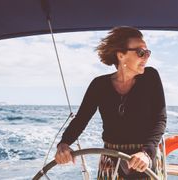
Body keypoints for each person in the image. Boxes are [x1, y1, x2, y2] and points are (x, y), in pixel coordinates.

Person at [55, 26, 167, 179]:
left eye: (147, 52)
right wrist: (64, 143)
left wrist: (146, 153)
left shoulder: (151, 77)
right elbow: (81, 119)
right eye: (141, 52)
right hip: (111, 158)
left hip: (144, 158)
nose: (146, 57)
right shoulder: (99, 85)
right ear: (121, 55)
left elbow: (160, 119)